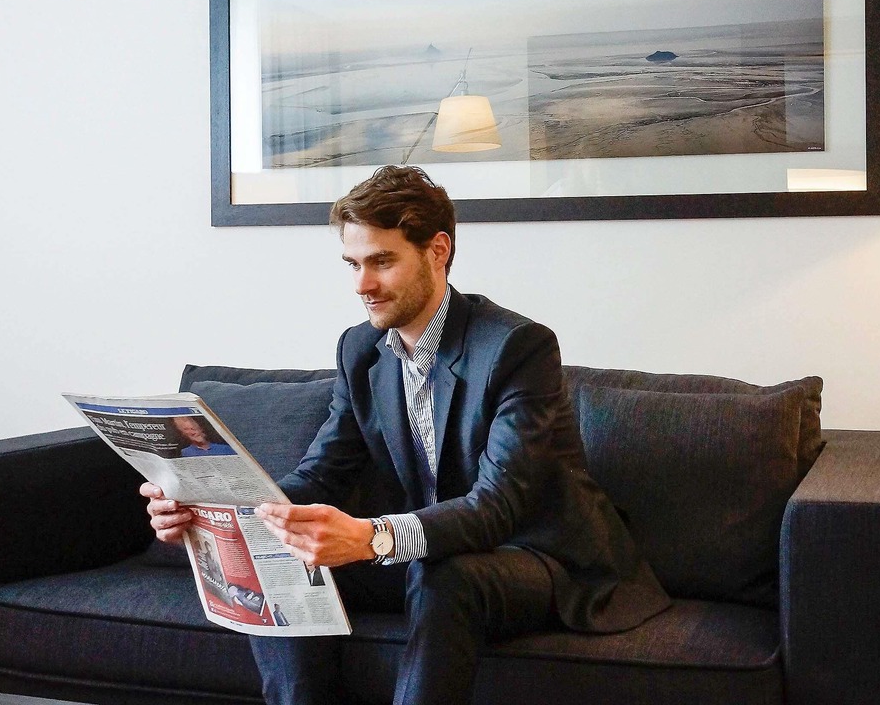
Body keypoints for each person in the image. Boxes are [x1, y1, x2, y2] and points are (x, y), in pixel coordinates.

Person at [141, 165, 668, 705]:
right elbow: (325, 470)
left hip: (536, 556)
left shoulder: (517, 348)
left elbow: (499, 505)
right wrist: (215, 509)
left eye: (381, 261)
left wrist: (373, 536)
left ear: (437, 251)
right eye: (353, 264)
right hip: (427, 554)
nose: (362, 285)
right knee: (288, 554)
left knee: (447, 577)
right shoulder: (360, 351)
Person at [172, 415, 237, 457]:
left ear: (201, 428)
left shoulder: (225, 448)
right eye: (186, 429)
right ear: (182, 433)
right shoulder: (185, 452)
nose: (193, 432)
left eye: (193, 428)